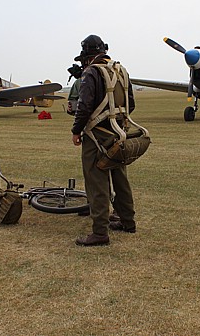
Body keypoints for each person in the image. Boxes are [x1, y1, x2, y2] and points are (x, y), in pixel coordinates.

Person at [71, 34, 136, 246]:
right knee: (120, 177)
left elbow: (84, 106)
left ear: (88, 55)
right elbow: (131, 104)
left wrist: (76, 130)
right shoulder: (121, 71)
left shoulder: (92, 72)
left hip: (95, 135)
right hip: (119, 132)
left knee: (96, 181)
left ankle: (100, 232)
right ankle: (128, 221)